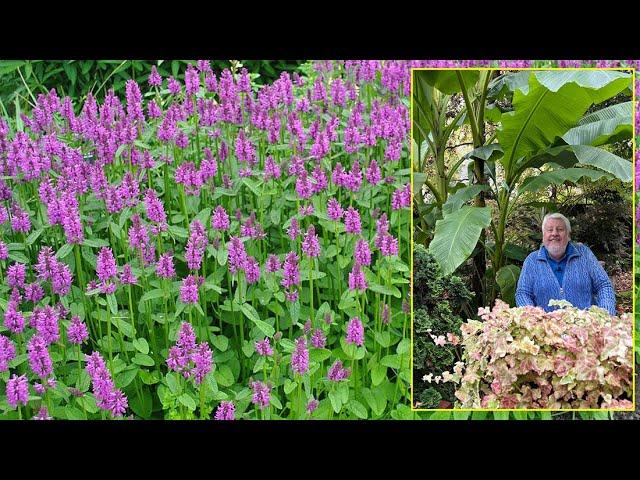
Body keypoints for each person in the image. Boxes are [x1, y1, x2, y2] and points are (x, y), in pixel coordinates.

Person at [515, 213, 616, 315]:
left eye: (560, 229)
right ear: (543, 236)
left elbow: (604, 285)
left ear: (568, 235)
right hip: (546, 328)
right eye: (550, 230)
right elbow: (523, 293)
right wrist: (532, 318)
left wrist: (606, 315)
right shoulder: (532, 260)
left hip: (585, 326)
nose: (554, 233)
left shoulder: (584, 254)